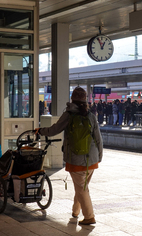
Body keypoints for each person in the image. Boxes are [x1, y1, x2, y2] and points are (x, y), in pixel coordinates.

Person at [36, 87, 103, 225]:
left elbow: (54, 129)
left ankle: (89, 216)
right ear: (85, 100)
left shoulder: (69, 114)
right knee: (82, 187)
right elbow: (99, 138)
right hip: (92, 160)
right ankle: (75, 211)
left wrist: (40, 131)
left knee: (81, 188)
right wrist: (100, 157)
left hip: (76, 159)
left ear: (72, 99)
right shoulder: (91, 115)